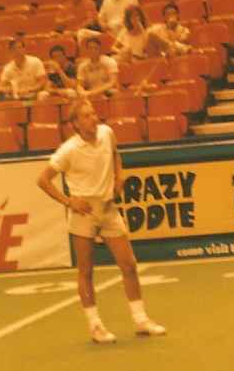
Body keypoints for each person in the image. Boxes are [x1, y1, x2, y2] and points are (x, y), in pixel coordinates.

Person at [37, 99, 167, 344]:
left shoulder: (108, 133)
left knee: (128, 264)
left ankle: (141, 320)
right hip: (83, 212)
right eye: (86, 116)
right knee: (86, 271)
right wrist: (68, 201)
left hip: (108, 209)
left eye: (94, 113)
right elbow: (43, 180)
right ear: (75, 124)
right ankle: (95, 326)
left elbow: (116, 156)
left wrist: (119, 177)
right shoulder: (68, 150)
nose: (93, 118)